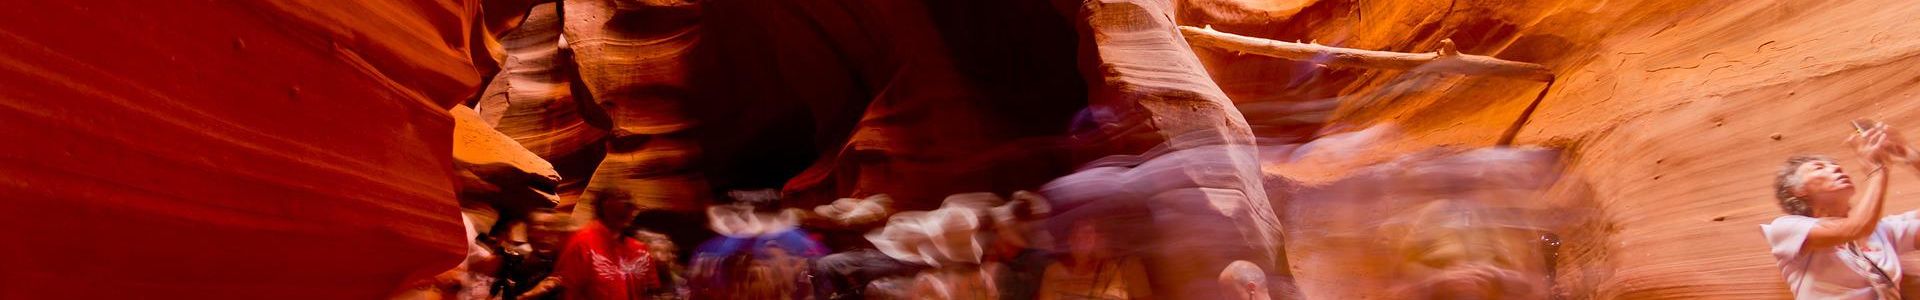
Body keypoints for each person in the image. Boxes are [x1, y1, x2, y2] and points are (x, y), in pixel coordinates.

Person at [1763, 121, 1920, 299]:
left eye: (1834, 165)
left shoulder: (1882, 230)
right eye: (1819, 167)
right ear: (1797, 190)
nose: (1836, 167)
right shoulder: (1786, 229)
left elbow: (1861, 227)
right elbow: (1855, 229)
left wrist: (1910, 156)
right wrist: (1877, 170)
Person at [553, 197, 658, 300]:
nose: (629, 213)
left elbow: (651, 289)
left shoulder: (639, 247)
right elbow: (569, 289)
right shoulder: (581, 243)